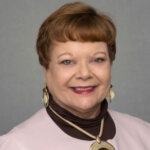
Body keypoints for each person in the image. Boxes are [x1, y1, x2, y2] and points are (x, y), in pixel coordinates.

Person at [0, 2, 150, 150]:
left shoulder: (144, 134)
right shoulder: (16, 145)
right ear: (46, 70)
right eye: (67, 61)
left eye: (98, 59)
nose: (84, 74)